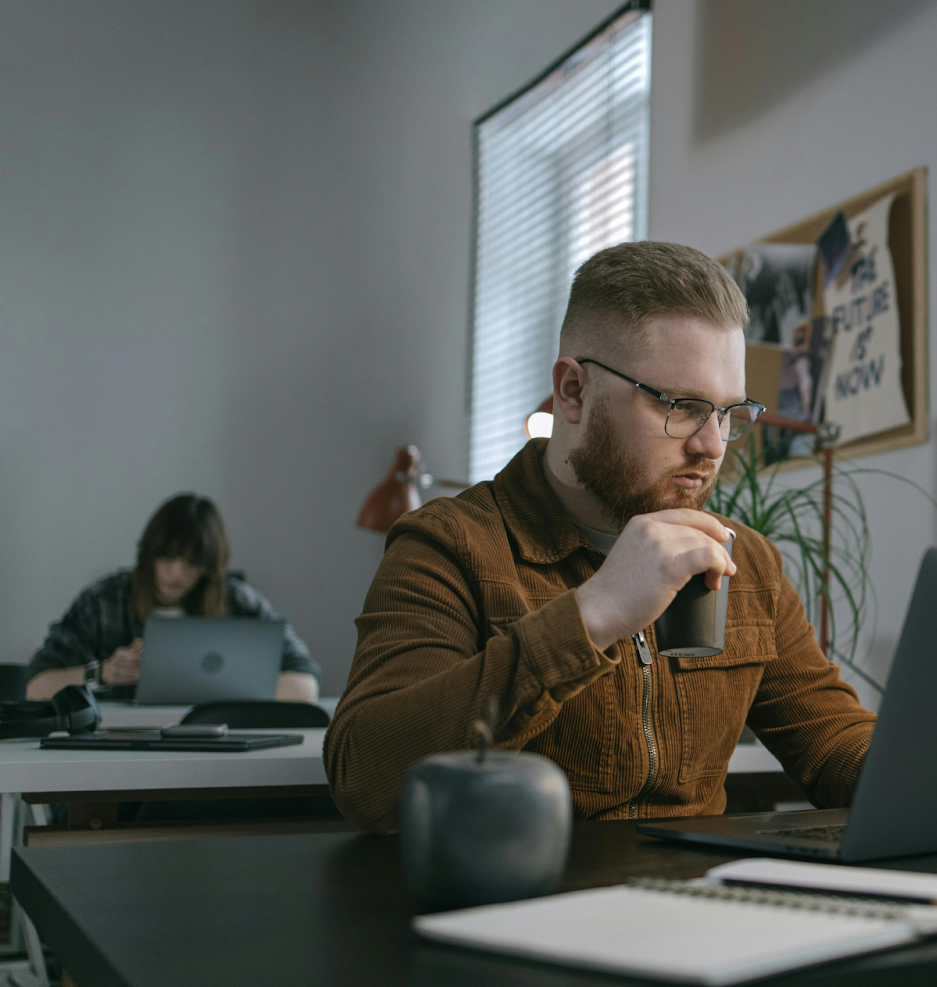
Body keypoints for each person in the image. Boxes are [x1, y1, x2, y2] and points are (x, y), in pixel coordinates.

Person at [327, 241, 877, 834]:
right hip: (521, 901)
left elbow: (832, 740)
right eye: (681, 406)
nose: (712, 446)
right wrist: (591, 616)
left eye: (727, 413)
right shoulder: (451, 546)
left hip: (695, 906)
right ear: (573, 392)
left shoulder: (749, 563)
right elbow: (368, 780)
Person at [26, 494, 321, 703]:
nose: (176, 571)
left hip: (218, 746)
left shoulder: (238, 601)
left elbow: (306, 686)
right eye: (167, 556)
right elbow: (36, 686)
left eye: (191, 561)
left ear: (209, 565)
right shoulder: (104, 601)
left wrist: (219, 686)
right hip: (122, 745)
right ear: (149, 554)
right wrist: (103, 673)